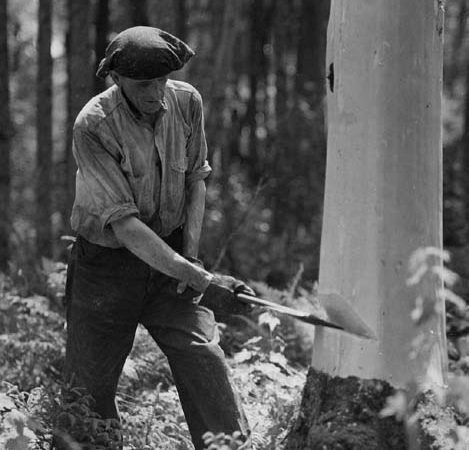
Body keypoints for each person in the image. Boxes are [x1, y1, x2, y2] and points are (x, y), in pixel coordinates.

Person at [61, 26, 251, 450]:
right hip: (106, 271)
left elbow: (196, 181)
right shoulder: (93, 125)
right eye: (145, 84)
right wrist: (200, 279)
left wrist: (193, 262)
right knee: (87, 398)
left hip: (174, 258)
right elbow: (125, 226)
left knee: (204, 358)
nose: (156, 92)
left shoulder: (187, 101)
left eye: (163, 80)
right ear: (118, 80)